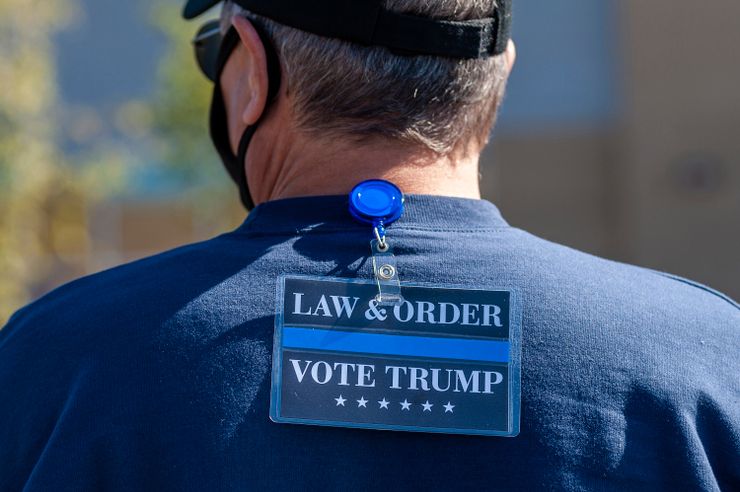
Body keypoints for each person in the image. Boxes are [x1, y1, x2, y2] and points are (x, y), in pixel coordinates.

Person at [0, 0, 737, 490]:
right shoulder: (705, 360)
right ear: (499, 74)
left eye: (212, 57)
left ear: (253, 73)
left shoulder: (58, 361)